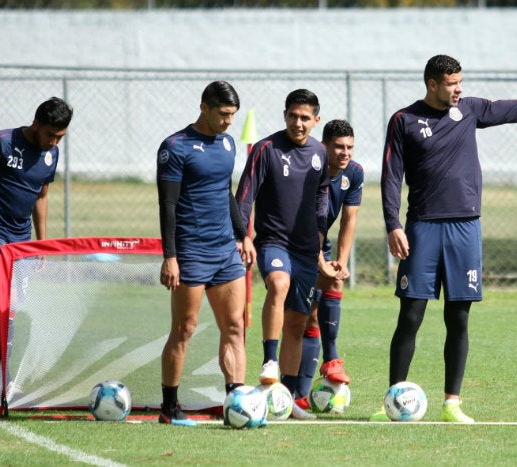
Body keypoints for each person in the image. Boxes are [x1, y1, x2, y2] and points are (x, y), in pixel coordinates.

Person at [377, 54, 517, 423]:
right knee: (411, 315)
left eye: (460, 82)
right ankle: (391, 402)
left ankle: (452, 403)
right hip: (422, 227)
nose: (459, 89)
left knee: (459, 317)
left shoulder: (469, 111)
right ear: (432, 84)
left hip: (466, 227)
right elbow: (391, 176)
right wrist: (393, 224)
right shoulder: (404, 120)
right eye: (452, 84)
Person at [0, 97, 74, 405]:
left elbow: (41, 196)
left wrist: (41, 242)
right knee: (4, 300)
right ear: (36, 124)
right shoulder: (1, 142)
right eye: (50, 134)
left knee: (10, 311)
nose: (53, 142)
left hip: (21, 239)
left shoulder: (53, 154)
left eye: (60, 137)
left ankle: (3, 381)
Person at [156, 81, 255, 427]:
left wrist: (243, 235)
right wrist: (170, 255)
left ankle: (236, 404)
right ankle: (170, 407)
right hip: (191, 252)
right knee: (184, 328)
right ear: (204, 107)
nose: (229, 122)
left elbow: (225, 193)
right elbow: (167, 204)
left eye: (232, 115)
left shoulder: (227, 144)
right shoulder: (175, 147)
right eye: (224, 114)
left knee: (234, 326)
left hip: (226, 250)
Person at [235, 89, 331, 419]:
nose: (298, 122)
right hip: (273, 241)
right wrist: (242, 236)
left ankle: (285, 400)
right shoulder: (267, 149)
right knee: (278, 284)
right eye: (293, 115)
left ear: (316, 120)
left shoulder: (320, 153)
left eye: (305, 117)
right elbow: (244, 196)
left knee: (297, 322)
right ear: (285, 115)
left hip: (306, 248)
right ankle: (269, 360)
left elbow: (322, 196)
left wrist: (321, 234)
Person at [294, 119, 363, 408]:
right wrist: (319, 261)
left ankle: (302, 394)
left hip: (321, 243)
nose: (345, 152)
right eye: (338, 146)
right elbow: (304, 222)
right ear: (325, 146)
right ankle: (320, 368)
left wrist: (342, 263)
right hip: (293, 243)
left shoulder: (355, 174)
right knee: (301, 318)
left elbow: (349, 220)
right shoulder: (311, 171)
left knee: (316, 308)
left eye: (349, 147)